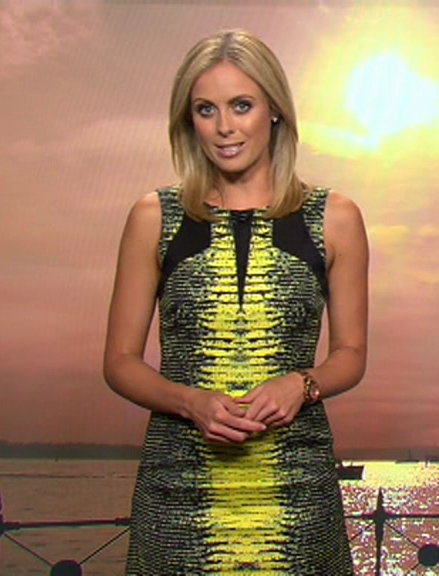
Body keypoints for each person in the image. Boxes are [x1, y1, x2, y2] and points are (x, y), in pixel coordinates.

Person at [103, 29, 368, 574]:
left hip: (297, 495)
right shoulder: (153, 217)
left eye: (241, 105)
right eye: (206, 110)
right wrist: (188, 403)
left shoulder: (335, 217)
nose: (224, 127)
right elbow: (119, 363)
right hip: (178, 496)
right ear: (188, 121)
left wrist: (303, 384)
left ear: (275, 111)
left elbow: (351, 354)